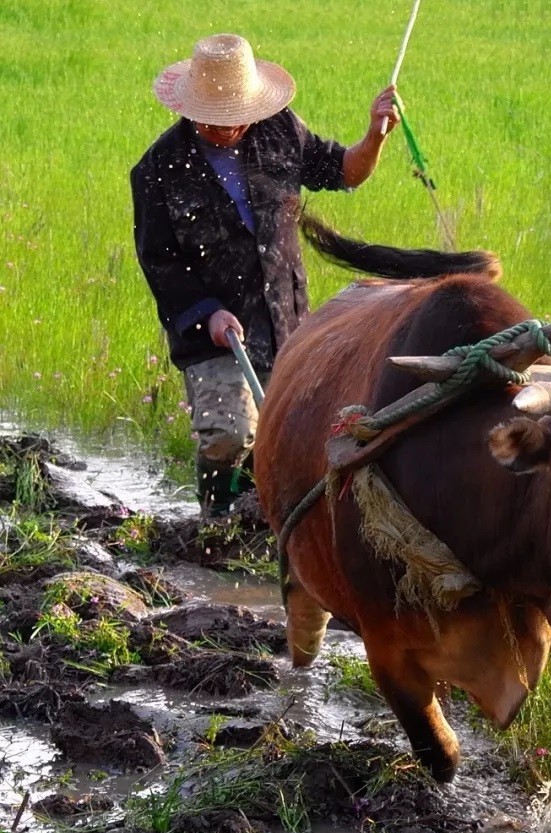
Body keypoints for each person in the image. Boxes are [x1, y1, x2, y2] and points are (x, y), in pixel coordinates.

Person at [131, 33, 400, 515]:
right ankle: (217, 526)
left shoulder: (280, 130)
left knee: (295, 438)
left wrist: (375, 136)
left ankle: (271, 526)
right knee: (229, 435)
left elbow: (344, 171)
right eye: (216, 119)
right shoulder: (159, 169)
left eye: (237, 115)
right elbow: (159, 261)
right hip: (213, 333)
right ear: (192, 109)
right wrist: (208, 314)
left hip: (285, 322)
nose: (228, 127)